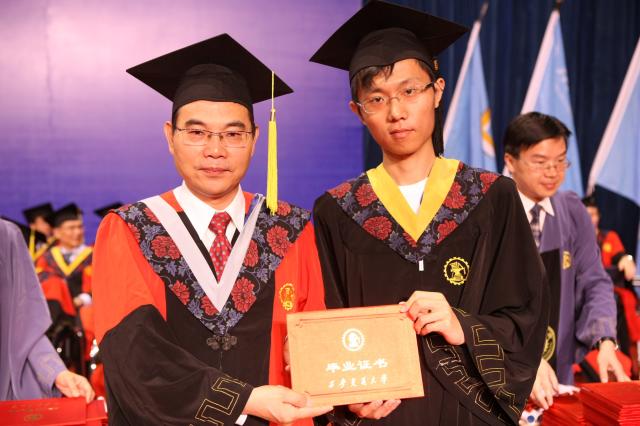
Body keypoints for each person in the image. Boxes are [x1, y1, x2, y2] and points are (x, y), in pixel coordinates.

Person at [310, 2, 548, 424]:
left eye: (409, 91)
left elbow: (525, 319)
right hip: (380, 416)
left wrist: (464, 326)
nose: (396, 112)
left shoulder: (492, 197)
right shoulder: (338, 211)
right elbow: (323, 330)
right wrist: (347, 399)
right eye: (376, 99)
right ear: (358, 111)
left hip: (469, 414)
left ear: (437, 91)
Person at [92, 34, 331, 425]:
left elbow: (319, 340)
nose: (215, 150)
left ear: (255, 139)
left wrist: (350, 389)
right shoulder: (131, 230)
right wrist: (244, 401)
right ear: (170, 136)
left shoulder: (290, 229)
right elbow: (134, 356)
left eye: (233, 134)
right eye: (197, 132)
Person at [503, 112, 630, 410]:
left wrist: (605, 339)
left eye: (560, 161)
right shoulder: (491, 212)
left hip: (556, 371)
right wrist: (523, 358)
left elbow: (594, 281)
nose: (553, 172)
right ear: (510, 161)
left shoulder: (571, 211)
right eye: (540, 162)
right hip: (501, 370)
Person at [0, 218, 94, 402]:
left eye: (79, 227)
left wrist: (56, 372)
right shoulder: (48, 257)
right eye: (71, 228)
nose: (77, 232)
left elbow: (25, 325)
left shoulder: (6, 235)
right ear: (58, 232)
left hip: (73, 316)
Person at [582, 195, 637, 281]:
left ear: (598, 216)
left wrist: (627, 260)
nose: (590, 219)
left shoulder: (610, 237)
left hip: (609, 284)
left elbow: (620, 256)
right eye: (587, 215)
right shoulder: (574, 240)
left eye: (593, 214)